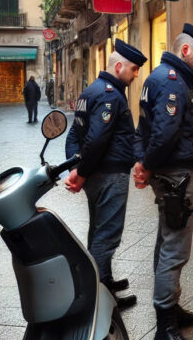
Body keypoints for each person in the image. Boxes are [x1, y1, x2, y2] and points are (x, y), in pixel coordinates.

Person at [133, 23, 193, 340]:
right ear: (185, 51)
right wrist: (147, 166)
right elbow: (163, 135)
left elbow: (145, 129)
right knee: (174, 248)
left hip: (172, 174)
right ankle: (165, 331)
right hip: (177, 177)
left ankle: (172, 309)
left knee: (167, 241)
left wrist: (144, 164)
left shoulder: (164, 78)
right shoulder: (171, 83)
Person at [63, 39, 147, 310]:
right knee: (107, 235)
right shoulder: (111, 94)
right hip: (109, 175)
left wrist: (76, 168)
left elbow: (74, 134)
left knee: (98, 229)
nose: (136, 75)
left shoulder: (91, 91)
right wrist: (82, 173)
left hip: (96, 174)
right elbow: (96, 140)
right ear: (119, 66)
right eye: (134, 69)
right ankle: (98, 299)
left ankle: (104, 279)